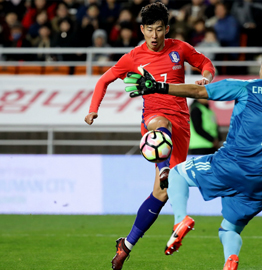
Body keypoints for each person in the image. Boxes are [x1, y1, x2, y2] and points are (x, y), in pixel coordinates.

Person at [124, 50, 262, 270]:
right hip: (260, 181)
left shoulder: (248, 87)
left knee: (177, 173)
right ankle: (230, 260)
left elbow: (198, 90)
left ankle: (180, 220)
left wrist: (159, 87)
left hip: (230, 164)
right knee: (230, 229)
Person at [83, 2, 215, 270]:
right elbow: (103, 81)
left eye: (159, 30)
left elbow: (205, 63)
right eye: (149, 30)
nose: (154, 36)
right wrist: (93, 110)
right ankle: (164, 167)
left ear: (166, 29)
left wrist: (206, 77)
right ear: (141, 29)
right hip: (154, 120)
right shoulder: (133, 57)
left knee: (162, 192)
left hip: (181, 124)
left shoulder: (180, 48)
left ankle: (127, 245)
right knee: (161, 126)